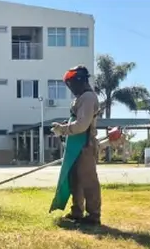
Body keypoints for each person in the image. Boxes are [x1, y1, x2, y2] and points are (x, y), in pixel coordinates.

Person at [51, 65, 102, 226]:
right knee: (75, 180)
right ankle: (77, 212)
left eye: (71, 84)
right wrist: (64, 126)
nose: (70, 88)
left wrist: (64, 130)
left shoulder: (88, 97)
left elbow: (82, 125)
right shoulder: (81, 98)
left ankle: (93, 215)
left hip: (85, 145)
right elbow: (77, 121)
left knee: (88, 180)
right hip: (76, 144)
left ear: (80, 80)